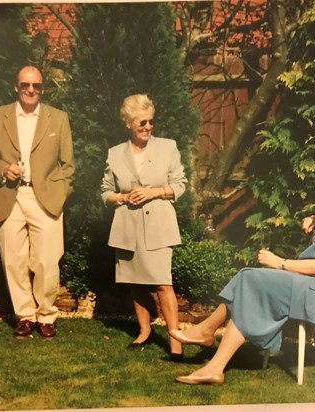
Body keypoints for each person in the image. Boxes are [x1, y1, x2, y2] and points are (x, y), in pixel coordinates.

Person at [170, 160, 315, 384]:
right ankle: (212, 355)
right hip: (313, 286)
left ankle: (208, 340)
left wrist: (280, 263)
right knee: (249, 278)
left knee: (251, 280)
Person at [0, 65, 75, 339]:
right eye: (25, 85)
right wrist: (2, 168)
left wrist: (60, 192)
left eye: (36, 86)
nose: (31, 90)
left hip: (46, 197)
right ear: (16, 87)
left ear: (42, 88)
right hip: (8, 195)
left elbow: (68, 165)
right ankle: (25, 316)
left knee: (46, 260)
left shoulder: (58, 118)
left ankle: (46, 316)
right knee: (14, 261)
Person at [101, 94, 186, 359]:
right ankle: (144, 331)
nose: (148, 127)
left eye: (151, 122)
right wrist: (122, 197)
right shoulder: (115, 154)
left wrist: (156, 192)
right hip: (127, 227)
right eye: (142, 123)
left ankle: (175, 342)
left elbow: (181, 185)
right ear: (128, 123)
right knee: (134, 281)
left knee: (163, 283)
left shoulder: (168, 148)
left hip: (159, 226)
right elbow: (105, 192)